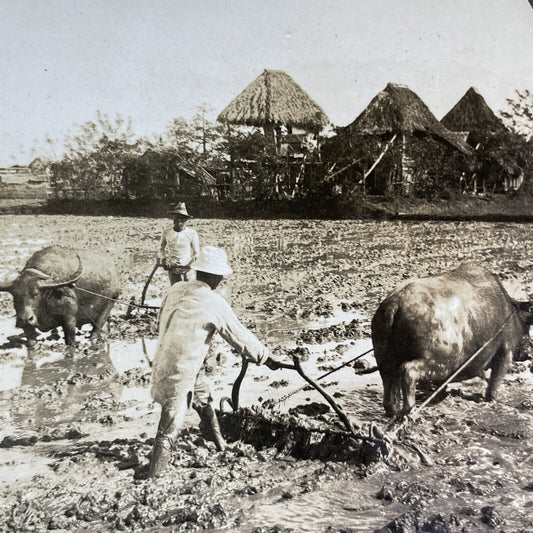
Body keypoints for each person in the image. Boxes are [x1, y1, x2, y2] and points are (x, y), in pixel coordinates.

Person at [148, 246, 277, 478]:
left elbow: (161, 321)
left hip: (163, 362)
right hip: (180, 370)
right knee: (168, 428)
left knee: (202, 397)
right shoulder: (213, 301)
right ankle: (152, 478)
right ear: (216, 276)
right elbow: (239, 335)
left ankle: (219, 444)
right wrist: (266, 357)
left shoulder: (176, 288)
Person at [158, 202, 200, 285]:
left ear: (186, 220)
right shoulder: (167, 232)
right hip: (173, 266)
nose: (179, 221)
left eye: (182, 219)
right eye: (176, 218)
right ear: (173, 218)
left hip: (187, 266)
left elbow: (196, 253)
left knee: (188, 291)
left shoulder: (191, 233)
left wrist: (191, 263)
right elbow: (161, 249)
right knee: (175, 289)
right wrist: (164, 259)